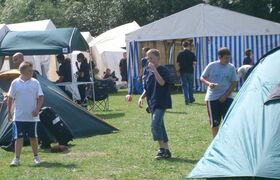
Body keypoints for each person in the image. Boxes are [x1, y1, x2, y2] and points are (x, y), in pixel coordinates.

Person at [7, 61, 44, 166]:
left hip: (32, 117)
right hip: (18, 116)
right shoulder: (15, 83)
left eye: (31, 70)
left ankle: (36, 157)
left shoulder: (35, 82)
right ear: (22, 71)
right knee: (18, 138)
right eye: (29, 70)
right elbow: (10, 98)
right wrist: (9, 112)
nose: (31, 72)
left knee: (33, 137)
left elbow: (41, 97)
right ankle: (17, 159)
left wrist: (37, 109)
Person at [138, 49, 172, 160]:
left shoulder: (164, 70)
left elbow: (162, 83)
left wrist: (155, 70)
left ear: (158, 58)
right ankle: (166, 150)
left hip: (161, 101)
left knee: (155, 124)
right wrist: (141, 97)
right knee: (160, 126)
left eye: (151, 58)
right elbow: (147, 87)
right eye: (148, 58)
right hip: (152, 102)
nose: (149, 60)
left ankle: (162, 149)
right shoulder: (147, 71)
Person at [200, 47, 238, 138]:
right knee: (215, 123)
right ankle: (215, 142)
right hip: (212, 98)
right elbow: (202, 77)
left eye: (229, 57)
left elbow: (234, 83)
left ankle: (227, 141)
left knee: (229, 121)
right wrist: (209, 84)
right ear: (219, 57)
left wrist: (225, 96)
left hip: (227, 98)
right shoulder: (211, 65)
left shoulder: (231, 67)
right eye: (226, 58)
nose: (228, 60)